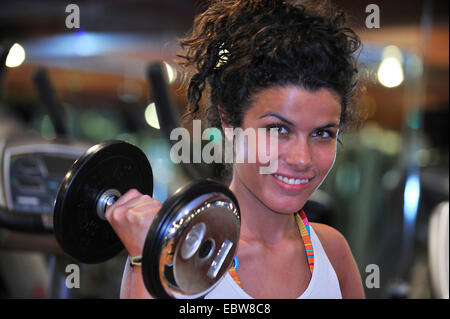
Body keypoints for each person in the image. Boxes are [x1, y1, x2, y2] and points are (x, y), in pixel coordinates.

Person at [106, 0, 366, 299]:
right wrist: (146, 256)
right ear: (230, 123)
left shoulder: (333, 252)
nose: (301, 159)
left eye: (322, 133)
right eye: (278, 129)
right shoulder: (171, 258)